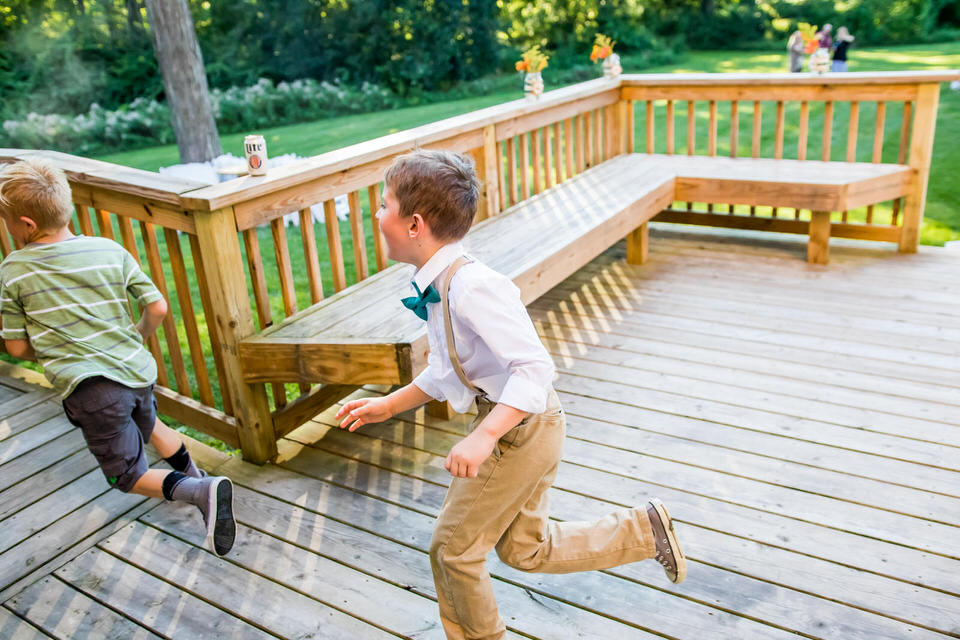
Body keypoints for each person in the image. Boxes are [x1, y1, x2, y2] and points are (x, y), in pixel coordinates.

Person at [335, 149, 686, 640]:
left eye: (383, 204)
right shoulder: (440, 283)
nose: (377, 214)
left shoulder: (471, 286)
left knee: (453, 549)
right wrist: (387, 405)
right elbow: (444, 370)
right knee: (526, 549)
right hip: (527, 426)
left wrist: (484, 437)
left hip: (520, 430)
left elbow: (534, 368)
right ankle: (643, 531)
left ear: (414, 224)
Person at [0, 159, 236, 558]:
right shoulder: (108, 249)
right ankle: (200, 479)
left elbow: (18, 349)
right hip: (136, 371)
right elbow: (157, 307)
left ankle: (200, 491)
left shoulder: (14, 271)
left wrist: (61, 346)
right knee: (150, 424)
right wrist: (134, 336)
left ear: (25, 224)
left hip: (91, 390)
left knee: (126, 475)